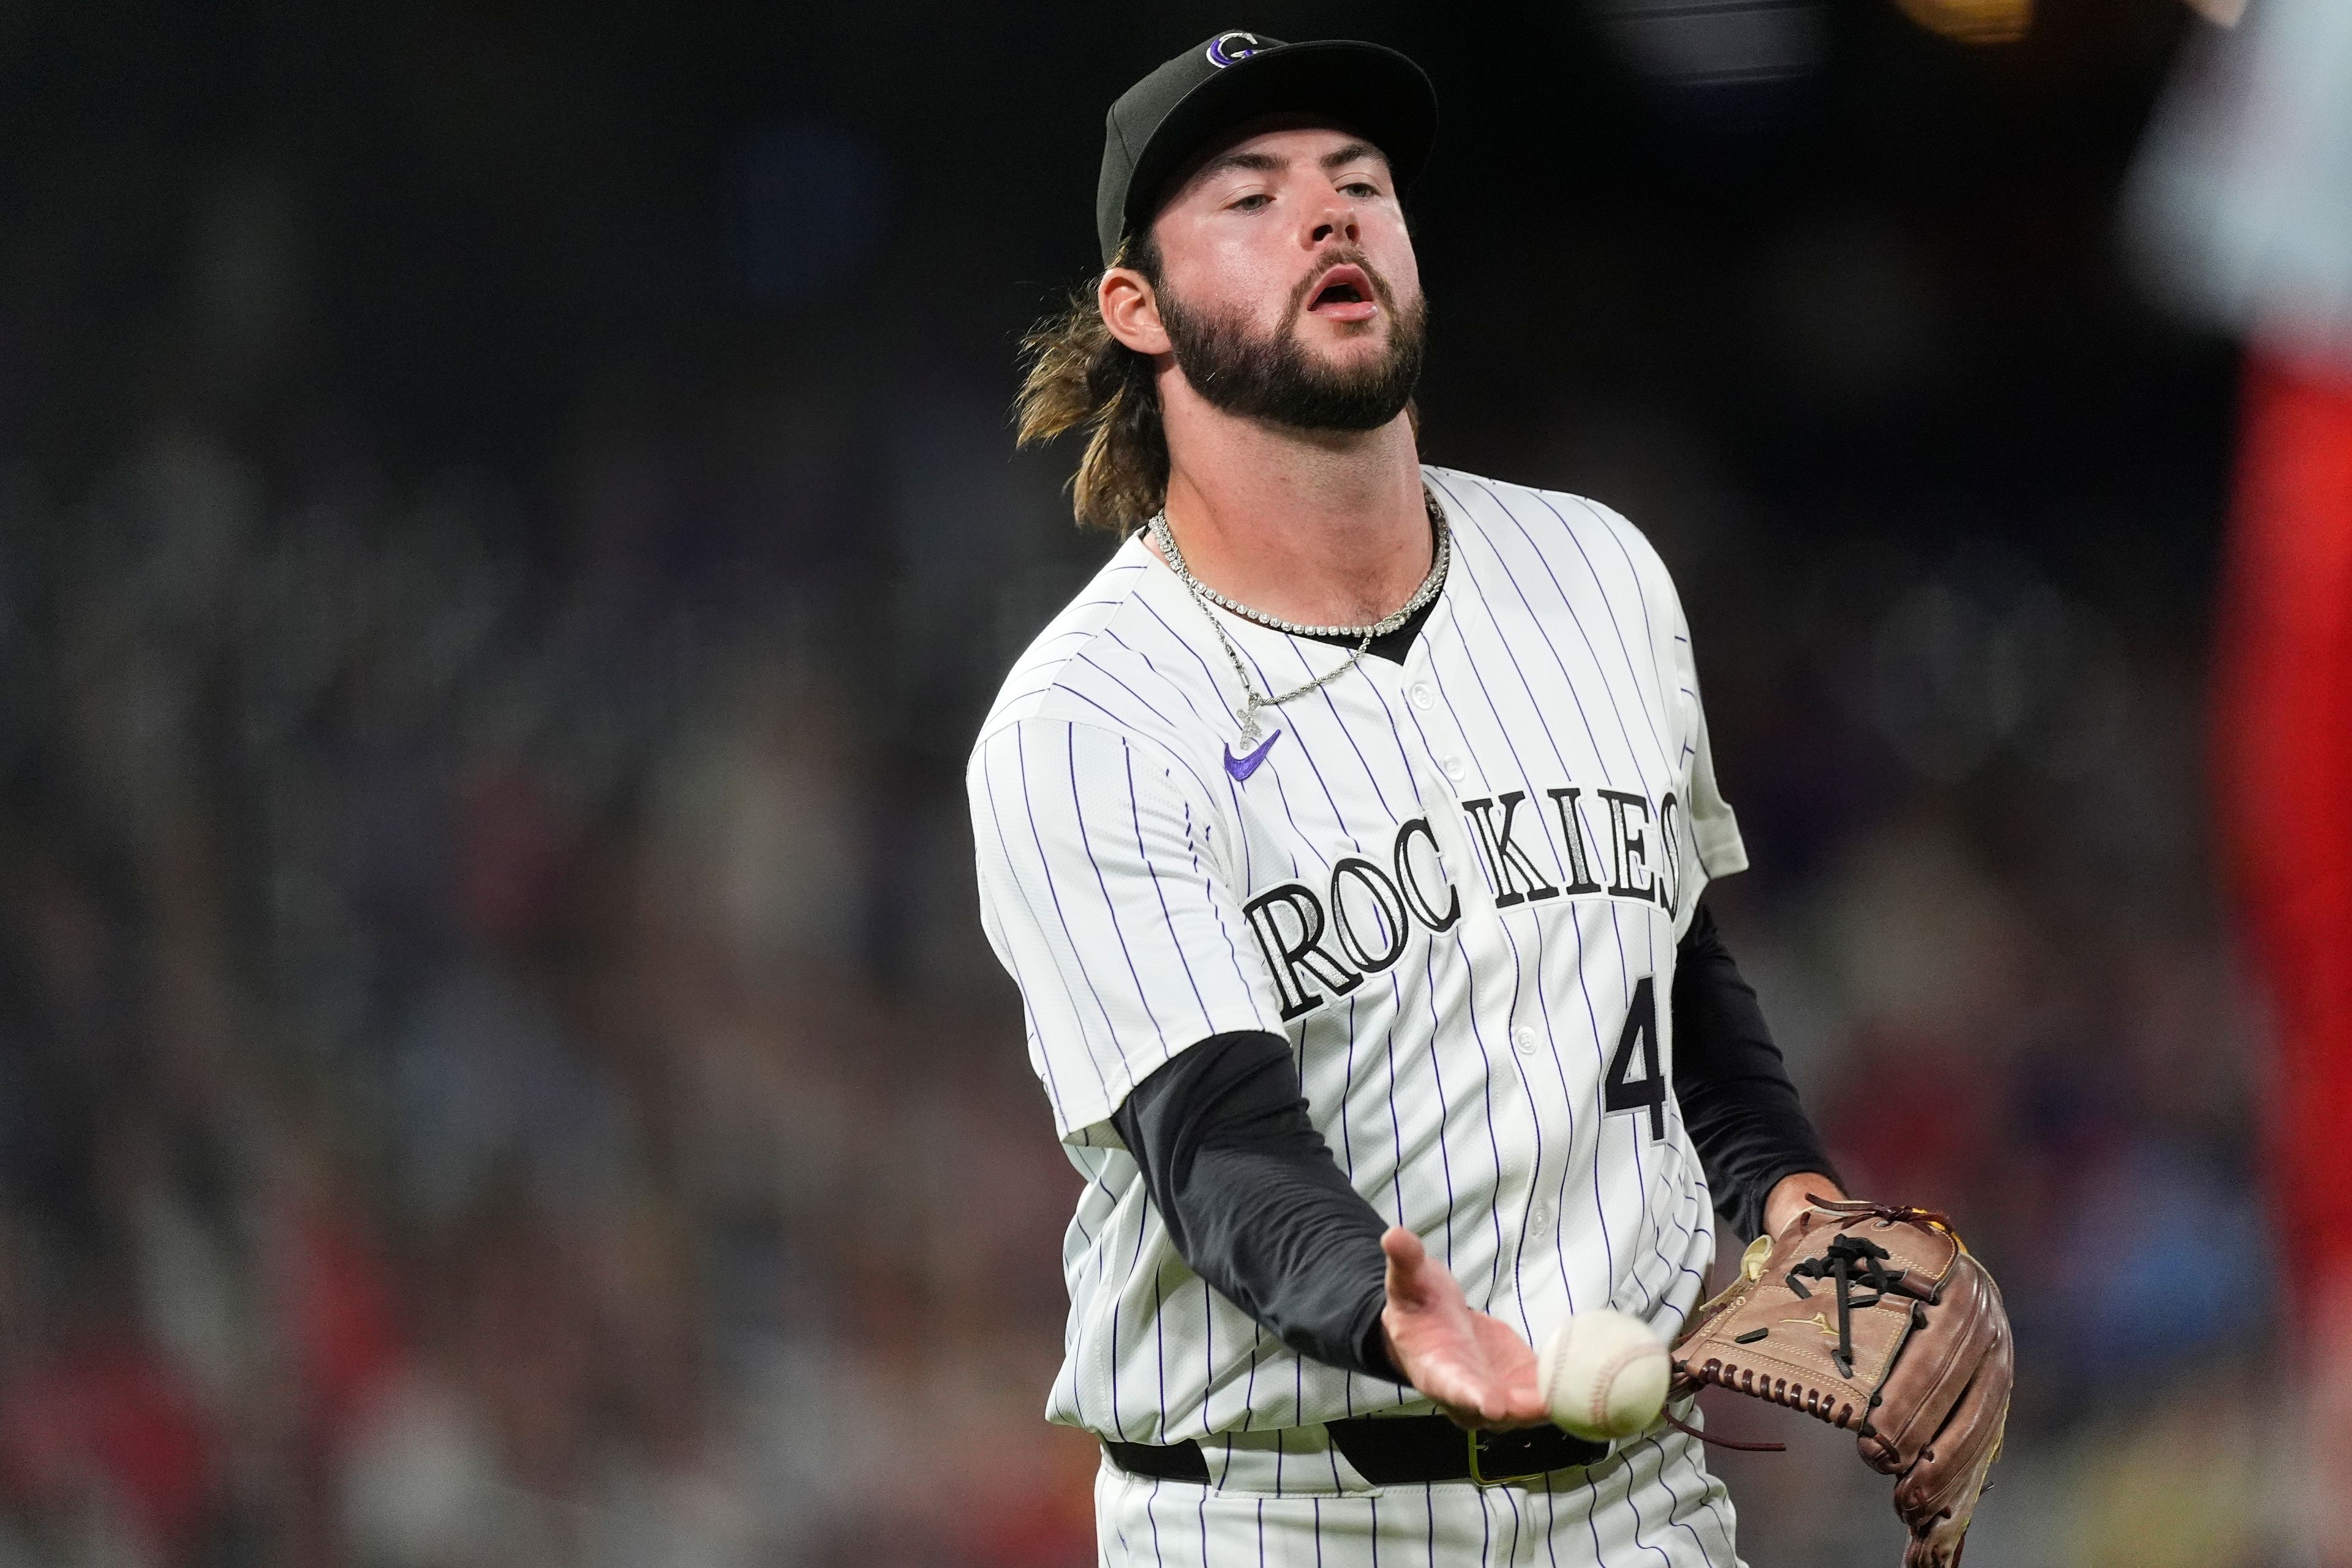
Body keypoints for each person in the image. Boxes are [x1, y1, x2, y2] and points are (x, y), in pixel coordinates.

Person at [970, 31, 1849, 1562]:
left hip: (1642, 1509)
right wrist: (1388, 1311)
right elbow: (1218, 1144)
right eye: (1250, 198)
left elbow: (1681, 975)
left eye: (1359, 184)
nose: (1328, 216)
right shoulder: (1088, 717)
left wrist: (1794, 1193)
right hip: (1277, 1507)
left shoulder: (1601, 574)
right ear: (1138, 309)